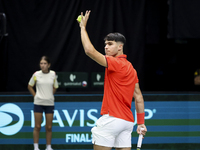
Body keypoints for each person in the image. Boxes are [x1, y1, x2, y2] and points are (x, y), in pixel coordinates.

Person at [77, 10, 147, 150]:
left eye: (110, 44)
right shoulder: (131, 69)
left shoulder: (116, 63)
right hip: (127, 122)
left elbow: (89, 51)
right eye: (105, 44)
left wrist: (83, 28)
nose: (105, 47)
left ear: (120, 47)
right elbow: (138, 97)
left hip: (112, 120)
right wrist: (140, 123)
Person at [28, 56, 59, 150]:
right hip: (38, 103)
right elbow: (30, 86)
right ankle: (36, 147)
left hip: (49, 104)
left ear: (48, 65)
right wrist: (36, 96)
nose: (43, 65)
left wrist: (49, 95)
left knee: (49, 127)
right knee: (37, 126)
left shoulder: (53, 74)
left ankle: (48, 147)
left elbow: (55, 86)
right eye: (41, 63)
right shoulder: (36, 74)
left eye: (45, 63)